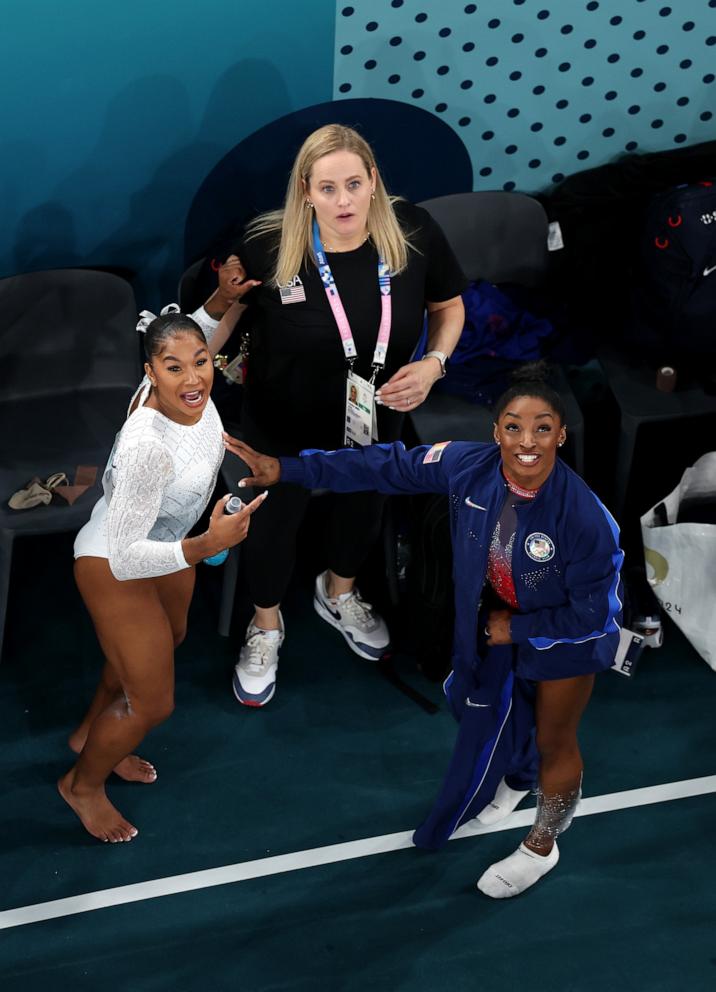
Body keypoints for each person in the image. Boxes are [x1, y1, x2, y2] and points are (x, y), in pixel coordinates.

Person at [223, 364, 623, 897]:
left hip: (565, 639)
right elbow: (384, 464)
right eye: (513, 426)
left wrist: (519, 627)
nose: (527, 442)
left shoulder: (586, 519)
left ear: (561, 433)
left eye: (542, 428)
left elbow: (595, 615)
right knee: (493, 713)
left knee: (555, 739)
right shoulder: (467, 466)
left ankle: (542, 844)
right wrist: (291, 470)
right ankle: (517, 778)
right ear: (495, 430)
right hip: (498, 618)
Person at [192, 123, 467, 707]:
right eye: (327, 188)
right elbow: (212, 335)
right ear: (305, 190)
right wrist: (194, 355)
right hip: (280, 422)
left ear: (374, 183)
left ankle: (337, 591)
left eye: (353, 184)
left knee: (363, 508)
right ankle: (265, 624)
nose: (343, 201)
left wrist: (434, 364)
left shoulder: (413, 232)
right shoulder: (269, 245)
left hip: (375, 414)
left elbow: (449, 306)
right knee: (272, 523)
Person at [60, 309, 266, 843]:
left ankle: (91, 735)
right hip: (113, 559)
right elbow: (127, 557)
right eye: (174, 368)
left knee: (163, 642)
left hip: (170, 543)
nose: (193, 378)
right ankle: (81, 786)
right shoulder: (145, 446)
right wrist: (208, 544)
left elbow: (193, 333)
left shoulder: (192, 390)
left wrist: (224, 300)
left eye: (200, 363)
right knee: (153, 702)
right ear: (150, 372)